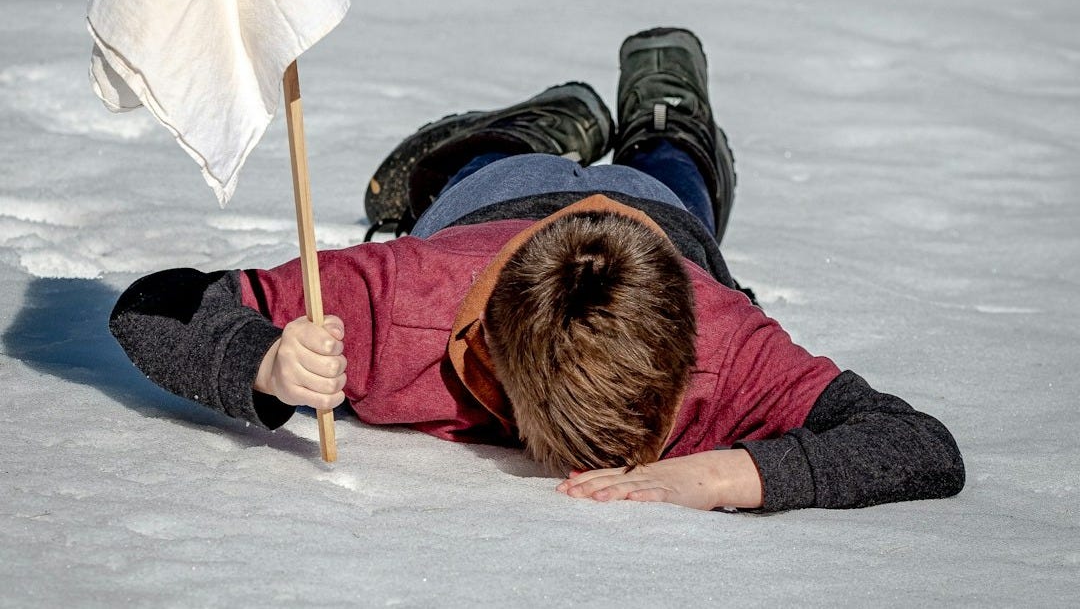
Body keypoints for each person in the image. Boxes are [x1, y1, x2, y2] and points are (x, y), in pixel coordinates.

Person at [110, 28, 965, 512]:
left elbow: (921, 445)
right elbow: (155, 304)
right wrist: (263, 359)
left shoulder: (731, 347)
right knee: (470, 169)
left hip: (655, 219)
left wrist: (723, 473)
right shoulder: (396, 303)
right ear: (501, 368)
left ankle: (670, 120)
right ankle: (537, 128)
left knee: (672, 171)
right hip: (494, 203)